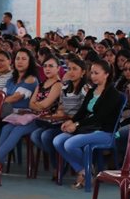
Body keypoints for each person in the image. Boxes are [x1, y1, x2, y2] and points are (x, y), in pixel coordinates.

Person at [52, 60, 124, 190]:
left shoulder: (113, 94)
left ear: (106, 74)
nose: (93, 76)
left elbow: (99, 118)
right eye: (92, 73)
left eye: (97, 73)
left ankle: (87, 171)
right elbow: (82, 111)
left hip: (105, 132)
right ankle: (85, 171)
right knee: (58, 141)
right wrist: (71, 121)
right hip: (89, 129)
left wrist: (77, 124)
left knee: (70, 144)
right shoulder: (92, 91)